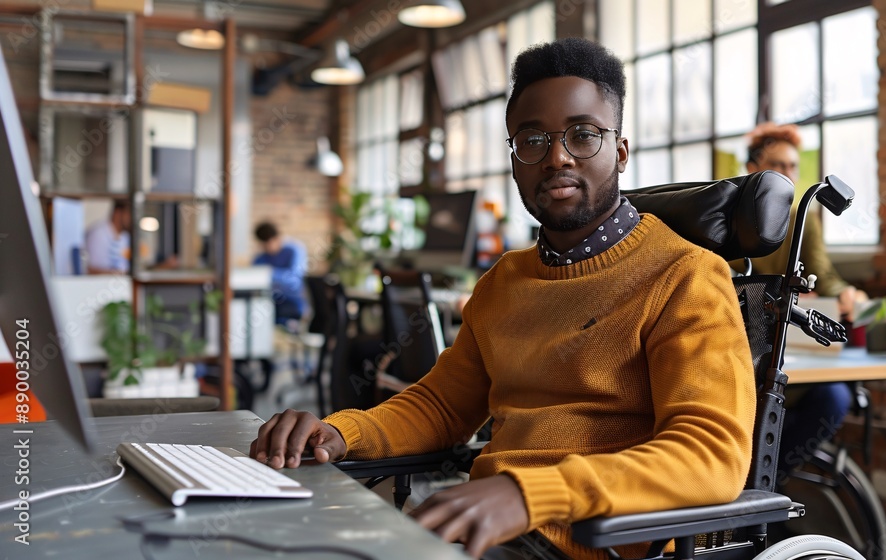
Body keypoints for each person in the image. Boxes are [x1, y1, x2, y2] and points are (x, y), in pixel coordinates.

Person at [252, 38, 756, 560]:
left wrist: (528, 493)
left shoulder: (686, 276)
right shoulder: (503, 280)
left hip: (585, 544)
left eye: (584, 135)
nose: (557, 156)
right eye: (532, 139)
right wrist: (338, 432)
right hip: (491, 530)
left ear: (621, 152)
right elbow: (442, 406)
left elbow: (711, 455)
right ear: (515, 158)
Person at [740, 122, 864, 480]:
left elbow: (826, 276)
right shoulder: (732, 218)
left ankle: (768, 485)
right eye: (777, 165)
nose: (787, 174)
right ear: (753, 169)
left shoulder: (802, 219)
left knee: (835, 398)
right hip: (737, 352)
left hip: (785, 353)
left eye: (792, 166)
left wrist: (846, 293)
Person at [253, 221, 308, 326]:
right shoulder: (260, 258)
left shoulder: (294, 250)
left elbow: (294, 280)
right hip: (268, 303)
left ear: (277, 238)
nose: (268, 248)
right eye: (264, 245)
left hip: (292, 302)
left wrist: (269, 273)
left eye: (269, 243)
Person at [85, 200, 131, 274]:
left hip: (120, 284)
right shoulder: (98, 233)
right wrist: (118, 274)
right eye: (129, 214)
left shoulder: (125, 237)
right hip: (101, 284)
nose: (131, 219)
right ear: (118, 213)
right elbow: (90, 270)